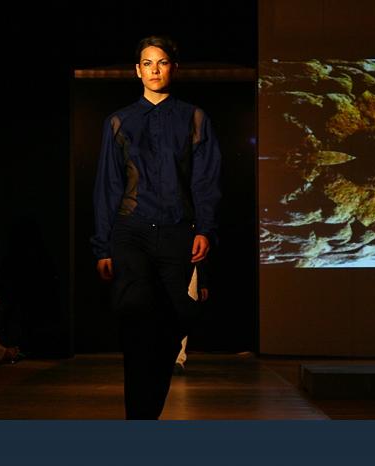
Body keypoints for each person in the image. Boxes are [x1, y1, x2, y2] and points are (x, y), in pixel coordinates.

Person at [91, 35, 221, 419]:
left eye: (161, 62)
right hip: (130, 231)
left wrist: (205, 229)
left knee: (173, 320)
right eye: (147, 63)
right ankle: (139, 419)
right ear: (137, 70)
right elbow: (108, 186)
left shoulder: (194, 118)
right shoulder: (119, 121)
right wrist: (102, 246)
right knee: (136, 320)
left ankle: (147, 412)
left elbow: (205, 180)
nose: (154, 70)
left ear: (173, 68)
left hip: (177, 231)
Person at [174, 259, 209, 374]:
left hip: (188, 265)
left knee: (183, 313)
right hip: (163, 265)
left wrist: (202, 281)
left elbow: (198, 255)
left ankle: (177, 359)